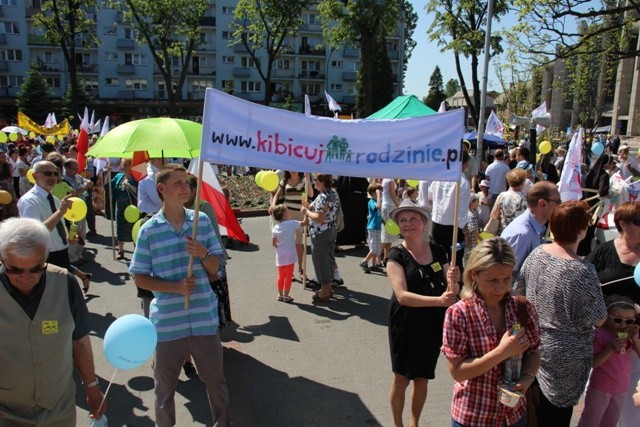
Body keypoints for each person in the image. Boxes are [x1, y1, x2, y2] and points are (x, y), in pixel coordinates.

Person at [129, 164, 231, 427]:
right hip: (168, 323)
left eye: (187, 183)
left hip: (202, 318)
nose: (185, 188)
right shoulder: (149, 230)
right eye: (178, 183)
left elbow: (217, 267)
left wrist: (202, 253)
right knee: (164, 389)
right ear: (161, 189)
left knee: (215, 383)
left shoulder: (202, 221)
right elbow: (139, 276)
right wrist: (175, 288)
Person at [0, 217, 106, 425]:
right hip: (6, 412)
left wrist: (92, 387)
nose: (26, 277)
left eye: (36, 268)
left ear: (46, 258)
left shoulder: (65, 283)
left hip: (59, 410)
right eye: (15, 269)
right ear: (2, 260)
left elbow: (80, 341)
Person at [514, 200, 607, 426]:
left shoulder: (537, 254)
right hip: (565, 358)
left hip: (532, 345)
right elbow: (599, 317)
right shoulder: (582, 270)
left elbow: (519, 292)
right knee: (555, 417)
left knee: (532, 412)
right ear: (582, 229)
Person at [442, 237, 540, 427]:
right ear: (474, 275)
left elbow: (534, 351)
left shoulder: (522, 308)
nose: (501, 287)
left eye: (507, 278)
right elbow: (458, 372)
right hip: (474, 417)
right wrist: (502, 352)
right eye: (492, 280)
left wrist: (527, 378)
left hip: (514, 416)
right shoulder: (459, 313)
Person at [386, 199, 460, 427]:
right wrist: (439, 301)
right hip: (406, 322)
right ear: (398, 225)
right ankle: (398, 424)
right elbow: (402, 296)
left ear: (424, 222)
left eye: (413, 219)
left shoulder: (438, 250)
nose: (408, 224)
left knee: (422, 377)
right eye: (403, 220)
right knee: (401, 378)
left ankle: (414, 423)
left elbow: (452, 291)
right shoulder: (396, 256)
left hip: (433, 321)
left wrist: (455, 282)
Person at [585, 201, 640, 426]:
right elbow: (585, 283)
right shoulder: (603, 251)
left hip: (636, 338)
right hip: (604, 335)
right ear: (622, 224)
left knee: (630, 397)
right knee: (600, 393)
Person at [577, 295, 640, 427]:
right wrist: (610, 349)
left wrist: (634, 340)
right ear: (606, 317)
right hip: (600, 388)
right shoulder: (599, 335)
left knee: (610, 422)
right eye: (618, 320)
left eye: (629, 321)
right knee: (590, 421)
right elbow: (592, 363)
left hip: (621, 388)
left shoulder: (629, 336)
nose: (623, 325)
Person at [17, 160, 75, 269]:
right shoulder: (29, 201)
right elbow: (37, 233)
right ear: (35, 176)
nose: (53, 177)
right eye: (47, 173)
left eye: (55, 173)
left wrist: (68, 237)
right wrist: (60, 212)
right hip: (45, 256)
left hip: (62, 251)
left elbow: (57, 226)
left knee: (63, 285)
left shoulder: (56, 200)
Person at [500, 181, 560, 277]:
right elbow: (508, 278)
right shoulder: (524, 235)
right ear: (543, 203)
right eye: (558, 202)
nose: (560, 206)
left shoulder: (535, 228)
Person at [300, 173, 340, 302]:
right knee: (327, 259)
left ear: (322, 181)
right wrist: (309, 207)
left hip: (321, 232)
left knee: (320, 261)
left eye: (316, 180)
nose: (314, 182)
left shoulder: (324, 197)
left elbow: (320, 217)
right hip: (329, 230)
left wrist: (306, 212)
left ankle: (325, 290)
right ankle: (328, 288)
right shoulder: (332, 193)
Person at [428, 152, 471, 271]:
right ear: (465, 164)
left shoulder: (440, 176)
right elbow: (461, 213)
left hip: (437, 224)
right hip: (453, 229)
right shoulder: (462, 182)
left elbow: (430, 197)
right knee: (455, 260)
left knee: (437, 258)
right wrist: (466, 233)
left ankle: (438, 282)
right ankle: (454, 286)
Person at [270, 171, 309, 281]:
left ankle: (301, 269)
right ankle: (288, 269)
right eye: (290, 168)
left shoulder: (303, 181)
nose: (293, 170)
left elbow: (305, 196)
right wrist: (273, 205)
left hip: (299, 215)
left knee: (298, 243)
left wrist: (305, 206)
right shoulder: (285, 180)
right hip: (286, 215)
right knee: (286, 242)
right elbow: (276, 195)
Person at [578, 153, 616, 256]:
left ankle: (579, 248)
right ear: (606, 164)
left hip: (586, 203)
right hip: (595, 206)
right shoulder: (604, 175)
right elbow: (602, 191)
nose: (613, 165)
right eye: (612, 163)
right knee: (590, 229)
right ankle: (585, 250)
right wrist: (609, 195)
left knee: (583, 226)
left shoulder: (591, 173)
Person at [271, 204, 305, 302]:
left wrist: (279, 246)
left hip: (280, 255)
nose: (289, 212)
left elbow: (273, 243)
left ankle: (280, 294)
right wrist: (305, 212)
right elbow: (304, 222)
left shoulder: (276, 227)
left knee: (281, 275)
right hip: (290, 254)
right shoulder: (292, 223)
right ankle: (286, 295)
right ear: (283, 214)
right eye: (287, 211)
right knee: (289, 275)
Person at [109, 159, 138, 260]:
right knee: (119, 228)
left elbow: (139, 191)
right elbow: (109, 186)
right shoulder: (118, 176)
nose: (124, 167)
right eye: (123, 165)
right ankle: (121, 251)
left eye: (126, 165)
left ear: (131, 166)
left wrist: (129, 186)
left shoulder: (136, 178)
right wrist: (108, 174)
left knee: (134, 229)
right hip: (120, 207)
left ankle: (136, 251)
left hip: (132, 209)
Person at [491, 168, 528, 234]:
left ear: (509, 182)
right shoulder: (527, 198)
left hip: (504, 231)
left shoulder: (502, 196)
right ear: (522, 182)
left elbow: (494, 215)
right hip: (521, 231)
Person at [360, 184, 383, 273]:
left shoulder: (376, 201)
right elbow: (378, 207)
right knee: (375, 248)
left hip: (377, 227)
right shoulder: (372, 202)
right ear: (373, 193)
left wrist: (384, 221)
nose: (381, 193)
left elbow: (378, 214)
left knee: (375, 247)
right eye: (379, 191)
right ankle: (364, 262)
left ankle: (373, 265)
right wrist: (378, 196)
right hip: (373, 228)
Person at [380, 177, 400, 262]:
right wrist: (399, 207)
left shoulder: (388, 178)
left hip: (388, 206)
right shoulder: (389, 180)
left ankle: (386, 257)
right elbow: (393, 195)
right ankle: (375, 255)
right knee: (387, 233)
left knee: (389, 233)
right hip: (389, 206)